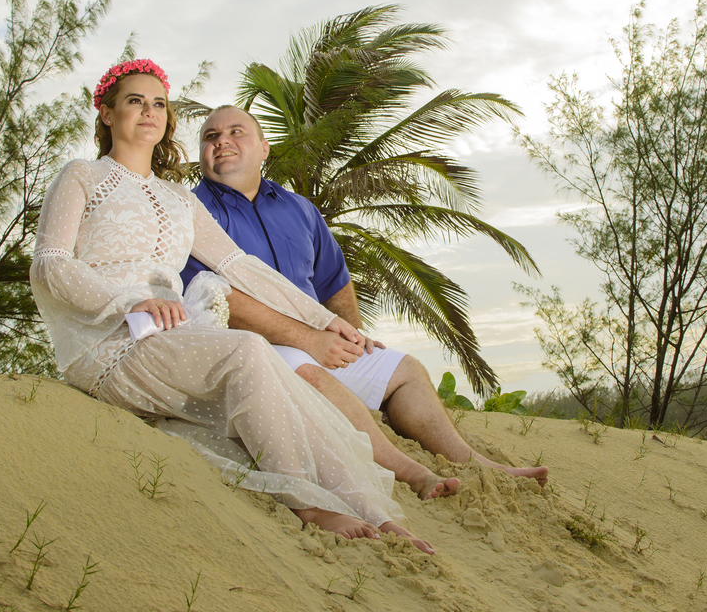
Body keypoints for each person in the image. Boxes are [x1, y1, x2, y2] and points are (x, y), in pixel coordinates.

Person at [30, 59, 431, 553]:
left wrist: (324, 318)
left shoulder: (180, 199)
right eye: (135, 100)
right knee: (247, 351)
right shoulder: (81, 176)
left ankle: (368, 508)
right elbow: (49, 264)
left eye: (159, 103)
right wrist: (131, 300)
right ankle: (303, 500)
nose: (149, 111)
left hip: (170, 338)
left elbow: (242, 268)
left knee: (282, 380)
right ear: (108, 114)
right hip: (107, 342)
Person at [181, 105, 549, 496]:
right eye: (210, 136)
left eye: (236, 132)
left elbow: (332, 280)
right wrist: (308, 341)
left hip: (321, 340)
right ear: (202, 153)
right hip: (252, 348)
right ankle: (414, 474)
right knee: (310, 374)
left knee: (405, 370)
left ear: (264, 148)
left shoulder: (299, 209)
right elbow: (216, 298)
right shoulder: (189, 213)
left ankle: (473, 462)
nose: (222, 141)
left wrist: (353, 334)